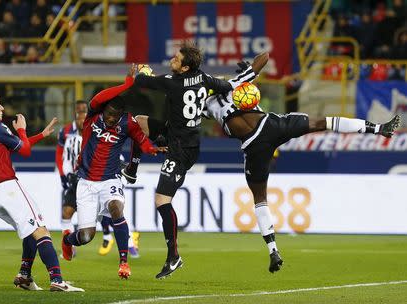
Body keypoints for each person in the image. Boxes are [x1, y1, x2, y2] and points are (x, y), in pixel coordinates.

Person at [124, 52, 401, 274]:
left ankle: (377, 129)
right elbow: (187, 114)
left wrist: (249, 72)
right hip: (268, 130)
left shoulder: (216, 93)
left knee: (315, 129)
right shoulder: (209, 95)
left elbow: (265, 56)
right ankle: (273, 252)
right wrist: (246, 76)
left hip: (262, 135)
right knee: (312, 133)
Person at [123, 41, 234, 279]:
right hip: (178, 135)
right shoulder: (204, 78)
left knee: (162, 201)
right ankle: (131, 169)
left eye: (176, 59)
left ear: (184, 68)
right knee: (137, 122)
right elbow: (225, 86)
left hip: (180, 148)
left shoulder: (173, 83)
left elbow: (143, 81)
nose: (172, 61)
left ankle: (173, 256)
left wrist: (140, 71)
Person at [61, 64, 166, 279]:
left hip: (111, 178)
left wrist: (151, 149)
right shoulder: (93, 114)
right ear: (104, 110)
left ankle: (124, 263)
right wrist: (127, 84)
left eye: (115, 117)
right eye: (109, 115)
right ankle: (67, 241)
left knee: (117, 209)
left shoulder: (127, 122)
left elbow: (141, 140)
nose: (110, 119)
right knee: (87, 236)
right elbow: (101, 97)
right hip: (86, 182)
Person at [0, 93, 84, 292]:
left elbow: (12, 147)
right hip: (6, 187)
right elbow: (24, 150)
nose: (2, 108)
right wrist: (22, 130)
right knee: (40, 228)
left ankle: (24, 275)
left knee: (29, 230)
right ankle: (57, 279)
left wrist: (40, 135)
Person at [57, 100, 88, 258]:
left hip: (93, 182)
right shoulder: (71, 139)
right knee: (66, 213)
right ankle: (67, 248)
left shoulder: (96, 137)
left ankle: (128, 241)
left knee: (108, 216)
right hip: (76, 181)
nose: (82, 121)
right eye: (79, 119)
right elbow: (66, 159)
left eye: (85, 118)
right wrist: (67, 175)